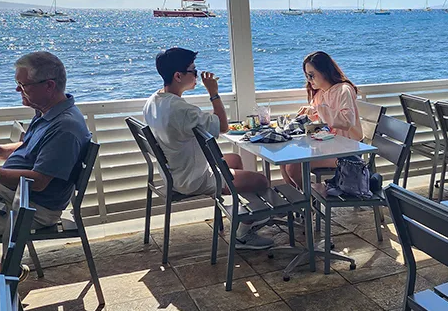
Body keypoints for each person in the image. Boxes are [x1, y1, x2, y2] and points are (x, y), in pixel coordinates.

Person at [0, 52, 90, 283]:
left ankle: (4, 274)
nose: (18, 91)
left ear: (49, 86)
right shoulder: (48, 113)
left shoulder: (65, 128)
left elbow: (39, 181)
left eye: (23, 85)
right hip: (5, 198)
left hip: (28, 208)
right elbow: (25, 148)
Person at [143, 48, 273, 249]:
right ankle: (244, 230)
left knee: (235, 161)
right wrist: (213, 92)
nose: (197, 75)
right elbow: (223, 126)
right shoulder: (182, 110)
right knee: (261, 181)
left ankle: (240, 213)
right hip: (193, 179)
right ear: (178, 76)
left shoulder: (153, 101)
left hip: (175, 171)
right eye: (193, 71)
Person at [282, 51, 362, 188]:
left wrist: (318, 110)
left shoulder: (343, 90)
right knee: (284, 161)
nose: (309, 80)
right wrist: (310, 114)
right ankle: (301, 200)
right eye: (307, 76)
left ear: (324, 71)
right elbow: (321, 119)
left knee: (293, 167)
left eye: (311, 75)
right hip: (327, 146)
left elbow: (347, 121)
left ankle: (309, 201)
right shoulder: (320, 93)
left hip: (346, 151)